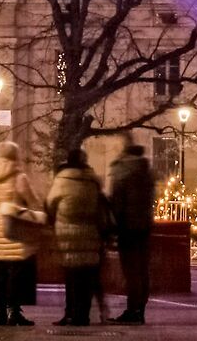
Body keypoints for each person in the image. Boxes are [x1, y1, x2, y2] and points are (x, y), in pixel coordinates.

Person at [46, 146, 106, 326]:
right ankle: (83, 315)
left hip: (67, 235)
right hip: (89, 234)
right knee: (86, 277)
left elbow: (50, 204)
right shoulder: (92, 181)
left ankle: (69, 313)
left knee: (71, 277)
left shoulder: (62, 180)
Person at [0, 140, 41, 324]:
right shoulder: (19, 178)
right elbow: (33, 203)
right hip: (15, 231)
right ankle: (14, 312)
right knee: (16, 274)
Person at [106, 139, 156, 324]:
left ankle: (132, 309)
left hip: (127, 227)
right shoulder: (146, 171)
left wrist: (113, 226)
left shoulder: (123, 171)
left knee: (131, 271)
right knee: (142, 270)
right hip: (144, 226)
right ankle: (139, 309)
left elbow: (117, 201)